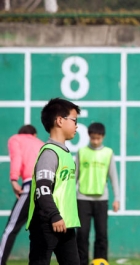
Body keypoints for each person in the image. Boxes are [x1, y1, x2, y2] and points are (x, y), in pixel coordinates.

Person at [26, 97, 81, 265]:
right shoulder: (49, 153)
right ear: (59, 121)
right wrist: (54, 215)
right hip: (48, 223)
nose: (76, 125)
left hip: (65, 224)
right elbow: (42, 189)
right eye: (74, 120)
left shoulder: (65, 153)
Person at [76, 122, 120, 265]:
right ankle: (81, 262)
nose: (95, 141)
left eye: (98, 138)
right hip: (82, 198)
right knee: (82, 234)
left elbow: (113, 176)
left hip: (102, 199)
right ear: (89, 136)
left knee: (101, 234)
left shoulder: (108, 153)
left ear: (103, 137)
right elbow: (74, 176)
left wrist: (117, 198)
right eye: (93, 138)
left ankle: (100, 262)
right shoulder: (81, 152)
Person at [0, 125, 43, 265]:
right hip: (47, 188)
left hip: (31, 185)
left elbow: (17, 157)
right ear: (34, 134)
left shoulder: (16, 139)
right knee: (42, 231)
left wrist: (13, 180)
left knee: (11, 228)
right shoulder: (41, 144)